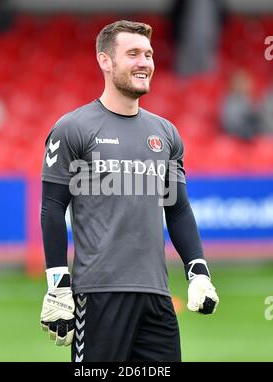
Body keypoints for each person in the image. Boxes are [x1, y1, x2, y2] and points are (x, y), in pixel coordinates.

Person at [40, 20, 219, 362]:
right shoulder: (73, 128)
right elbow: (52, 207)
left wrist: (197, 270)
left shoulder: (165, 133)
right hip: (98, 295)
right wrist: (57, 282)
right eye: (133, 53)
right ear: (105, 61)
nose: (144, 62)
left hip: (157, 297)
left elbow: (178, 208)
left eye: (148, 54)